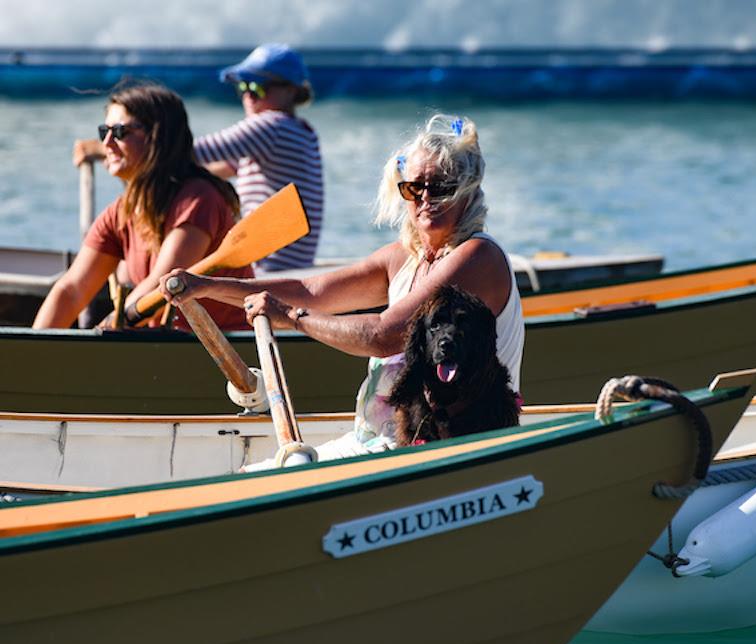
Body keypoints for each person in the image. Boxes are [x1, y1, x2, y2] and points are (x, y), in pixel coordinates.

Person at [160, 114, 524, 462]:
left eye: (440, 187)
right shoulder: (402, 258)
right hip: (383, 439)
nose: (425, 198)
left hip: (450, 446)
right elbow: (311, 290)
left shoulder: (478, 257)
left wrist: (289, 317)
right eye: (415, 188)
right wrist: (206, 286)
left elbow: (384, 335)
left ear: (467, 191)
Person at [73, 44, 323, 276]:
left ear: (291, 90)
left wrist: (101, 147)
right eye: (243, 86)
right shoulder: (300, 132)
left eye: (258, 87)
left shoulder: (271, 125)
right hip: (292, 264)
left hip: (268, 267)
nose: (248, 95)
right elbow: (208, 168)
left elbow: (179, 151)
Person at [35, 82, 251, 331]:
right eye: (103, 130)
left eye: (118, 132)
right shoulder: (120, 212)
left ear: (157, 136)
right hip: (162, 347)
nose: (106, 143)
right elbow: (72, 289)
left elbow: (162, 289)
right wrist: (31, 349)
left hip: (222, 351)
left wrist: (104, 331)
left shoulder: (199, 199)